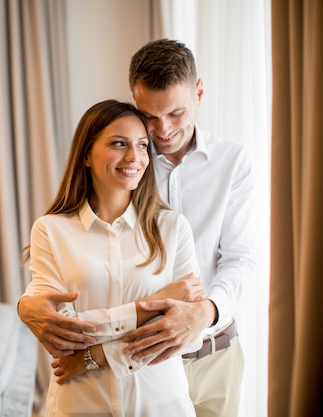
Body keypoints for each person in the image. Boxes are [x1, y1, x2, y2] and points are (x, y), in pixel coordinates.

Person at [18, 39, 255, 417]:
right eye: (151, 117)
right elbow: (69, 297)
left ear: (199, 92)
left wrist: (205, 310)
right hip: (131, 368)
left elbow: (240, 259)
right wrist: (26, 304)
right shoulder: (127, 166)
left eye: (176, 113)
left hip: (213, 352)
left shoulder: (231, 162)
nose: (162, 131)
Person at [23, 99, 208, 416]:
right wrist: (151, 306)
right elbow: (65, 337)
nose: (134, 157)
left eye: (141, 146)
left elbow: (188, 337)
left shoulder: (172, 227)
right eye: (119, 144)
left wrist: (95, 356)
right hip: (80, 406)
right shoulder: (50, 231)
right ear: (86, 155)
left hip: (161, 404)